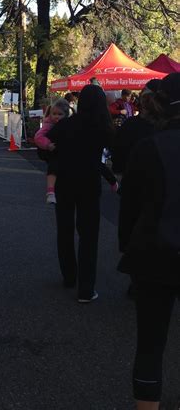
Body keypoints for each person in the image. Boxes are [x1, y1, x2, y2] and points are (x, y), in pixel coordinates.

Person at [118, 73, 180, 410]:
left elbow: (128, 207)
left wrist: (126, 245)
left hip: (153, 253)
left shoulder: (147, 147)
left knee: (151, 343)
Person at [47, 84, 114, 302]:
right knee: (89, 235)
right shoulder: (102, 127)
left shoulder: (65, 125)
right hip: (89, 183)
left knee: (64, 230)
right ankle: (86, 288)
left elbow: (44, 146)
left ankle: (69, 276)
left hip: (64, 182)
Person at [34, 98, 71, 204]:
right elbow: (38, 137)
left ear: (66, 115)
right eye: (54, 114)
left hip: (58, 151)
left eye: (60, 114)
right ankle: (50, 192)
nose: (56, 117)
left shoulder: (64, 124)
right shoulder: (48, 125)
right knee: (53, 167)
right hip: (49, 150)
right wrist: (48, 144)